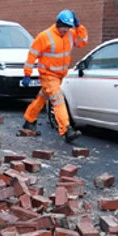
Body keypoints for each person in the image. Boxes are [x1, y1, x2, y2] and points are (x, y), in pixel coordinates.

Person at [21, 10, 88, 143]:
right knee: (58, 100)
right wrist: (27, 74)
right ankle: (66, 130)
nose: (66, 30)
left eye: (69, 27)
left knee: (42, 98)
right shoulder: (45, 36)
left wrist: (79, 26)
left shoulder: (71, 34)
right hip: (48, 75)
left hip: (60, 76)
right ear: (58, 24)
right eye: (64, 27)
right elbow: (32, 55)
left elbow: (83, 42)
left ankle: (29, 120)